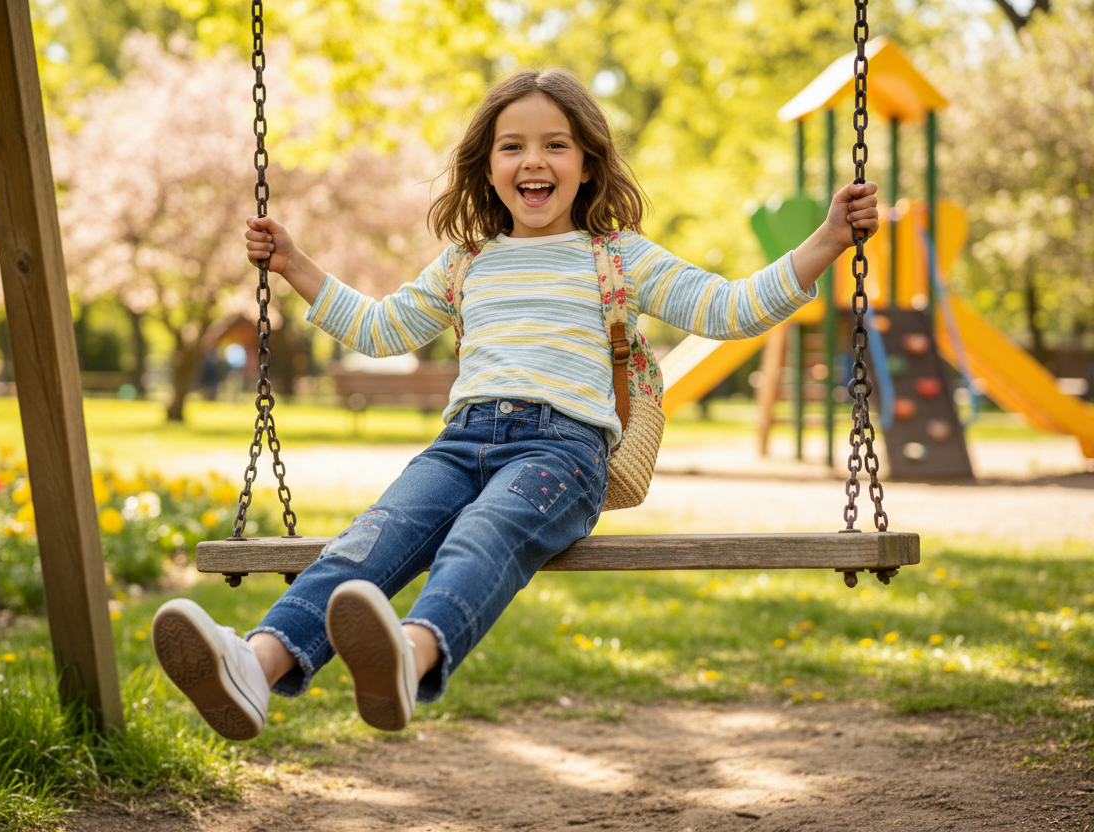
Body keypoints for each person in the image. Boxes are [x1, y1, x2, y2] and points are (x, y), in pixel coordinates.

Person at [151, 68, 879, 739]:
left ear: (587, 163)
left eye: (555, 144)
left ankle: (407, 653)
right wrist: (293, 263)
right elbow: (379, 329)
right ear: (488, 167)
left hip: (561, 452)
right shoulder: (467, 262)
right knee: (369, 540)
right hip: (460, 443)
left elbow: (729, 308)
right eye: (513, 146)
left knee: (484, 534)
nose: (534, 160)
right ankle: (257, 664)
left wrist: (825, 240)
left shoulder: (616, 255)